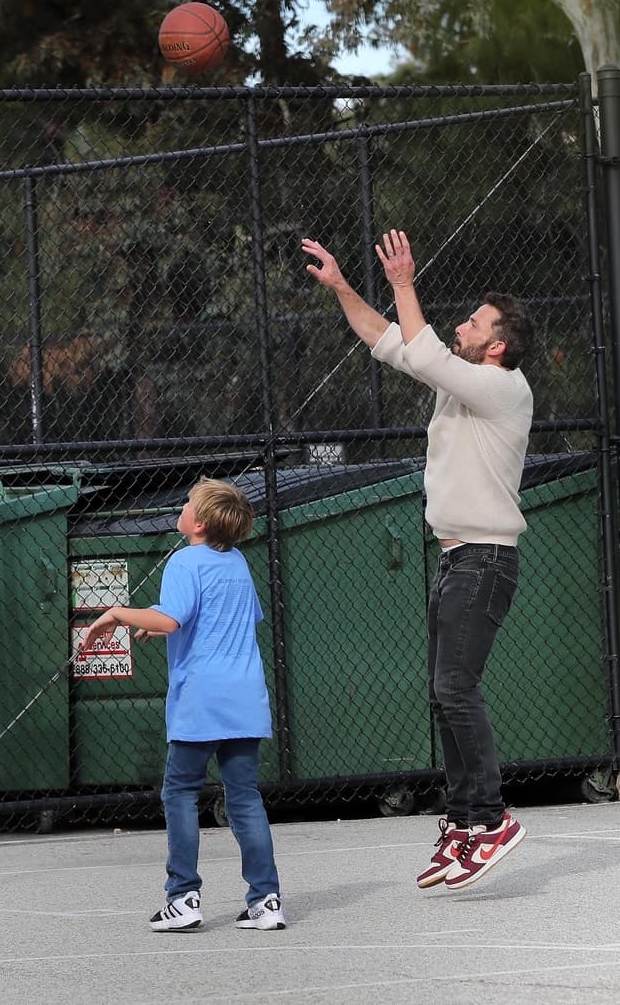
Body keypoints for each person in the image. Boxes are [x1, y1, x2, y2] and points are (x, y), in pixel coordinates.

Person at [302, 229, 534, 891]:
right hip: (457, 561)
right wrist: (345, 286)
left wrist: (406, 282)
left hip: (485, 561)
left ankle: (491, 821)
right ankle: (462, 824)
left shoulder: (504, 387)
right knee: (443, 695)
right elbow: (385, 339)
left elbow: (426, 349)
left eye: (476, 321)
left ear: (496, 344)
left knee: (456, 689)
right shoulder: (460, 380)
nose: (462, 323)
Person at [80, 478, 285, 931]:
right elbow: (212, 618)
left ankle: (183, 897)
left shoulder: (183, 561)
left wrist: (114, 614)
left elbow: (172, 618)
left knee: (180, 793)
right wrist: (162, 624)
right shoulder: (236, 562)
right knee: (245, 799)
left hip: (200, 701)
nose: (182, 505)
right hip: (245, 700)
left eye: (189, 502)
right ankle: (266, 900)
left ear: (201, 521)